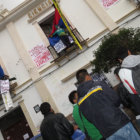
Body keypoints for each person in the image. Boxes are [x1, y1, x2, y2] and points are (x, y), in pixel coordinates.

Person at [76, 69, 140, 140]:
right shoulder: (98, 85)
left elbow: (89, 119)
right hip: (119, 124)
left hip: (106, 133)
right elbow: (116, 100)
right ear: (87, 76)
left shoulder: (79, 101)